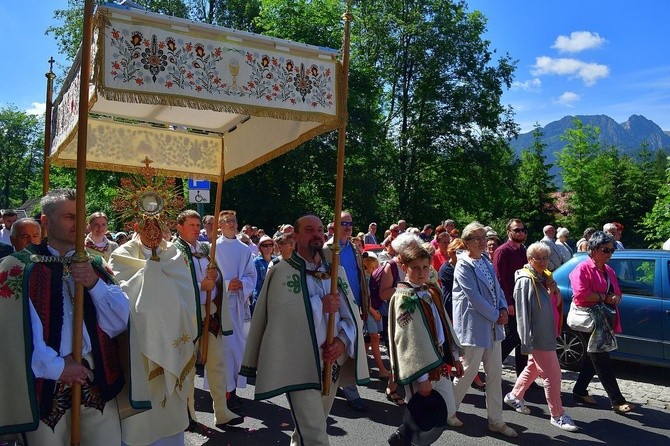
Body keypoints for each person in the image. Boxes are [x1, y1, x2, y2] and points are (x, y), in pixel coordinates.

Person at [0, 189, 128, 445]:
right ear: (45, 222)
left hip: (96, 378)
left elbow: (120, 322)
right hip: (43, 383)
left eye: (80, 216)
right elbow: (12, 331)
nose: (78, 224)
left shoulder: (95, 264)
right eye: (69, 217)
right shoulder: (17, 267)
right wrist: (57, 367)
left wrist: (94, 284)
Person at [241, 214, 369, 446]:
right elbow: (282, 321)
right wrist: (321, 305)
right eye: (309, 230)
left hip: (332, 362)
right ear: (296, 236)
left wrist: (341, 341)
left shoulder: (335, 271)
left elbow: (351, 313)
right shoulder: (281, 271)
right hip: (299, 363)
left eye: (320, 229)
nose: (317, 234)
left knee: (311, 426)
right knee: (316, 434)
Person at [110, 214, 199, 446]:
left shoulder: (174, 254)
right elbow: (120, 297)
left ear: (165, 226)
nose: (152, 232)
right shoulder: (122, 255)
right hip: (137, 347)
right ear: (136, 226)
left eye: (157, 225)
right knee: (140, 421)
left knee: (170, 419)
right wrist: (150, 273)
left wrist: (155, 276)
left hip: (174, 341)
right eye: (146, 226)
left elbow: (187, 295)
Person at [387, 245, 463, 446]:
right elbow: (409, 340)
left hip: (438, 358)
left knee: (446, 406)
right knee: (423, 414)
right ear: (404, 267)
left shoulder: (431, 290)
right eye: (415, 268)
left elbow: (444, 324)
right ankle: (407, 439)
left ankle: (402, 436)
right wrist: (422, 377)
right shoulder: (404, 298)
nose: (421, 272)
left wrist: (454, 355)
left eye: (425, 267)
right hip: (420, 366)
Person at [173, 210, 243, 429]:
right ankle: (189, 415)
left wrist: (217, 277)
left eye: (197, 225)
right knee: (188, 368)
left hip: (210, 315)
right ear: (179, 227)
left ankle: (221, 412)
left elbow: (218, 278)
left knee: (217, 363)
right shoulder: (173, 253)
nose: (196, 228)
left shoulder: (205, 249)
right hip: (188, 317)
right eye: (191, 225)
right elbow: (174, 287)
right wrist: (201, 286)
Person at [451, 221, 517, 438]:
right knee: (467, 372)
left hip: (492, 327)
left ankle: (496, 420)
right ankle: (448, 410)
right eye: (477, 238)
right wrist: (495, 314)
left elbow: (496, 287)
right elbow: (474, 298)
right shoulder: (463, 265)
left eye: (484, 237)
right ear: (467, 242)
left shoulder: (487, 261)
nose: (483, 242)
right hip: (475, 326)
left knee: (495, 375)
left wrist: (502, 307)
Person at [503, 242, 578, 432]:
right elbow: (522, 313)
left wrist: (553, 290)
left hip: (548, 332)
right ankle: (557, 414)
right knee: (553, 374)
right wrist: (526, 341)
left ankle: (514, 396)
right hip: (538, 335)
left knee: (533, 368)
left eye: (546, 258)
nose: (544, 262)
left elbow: (557, 301)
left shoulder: (545, 276)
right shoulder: (526, 280)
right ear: (530, 260)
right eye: (539, 259)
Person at [569, 231, 636, 414]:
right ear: (593, 249)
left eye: (611, 250)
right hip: (588, 319)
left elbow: (618, 293)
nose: (609, 254)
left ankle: (579, 390)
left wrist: (615, 298)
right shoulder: (582, 269)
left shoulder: (609, 271)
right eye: (605, 249)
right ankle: (617, 400)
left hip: (603, 319)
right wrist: (605, 297)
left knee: (594, 358)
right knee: (601, 358)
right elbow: (581, 296)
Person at [324, 211, 370, 412]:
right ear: (333, 227)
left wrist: (364, 305)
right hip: (337, 306)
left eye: (350, 223)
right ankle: (348, 391)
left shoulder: (354, 248)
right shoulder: (328, 249)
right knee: (339, 344)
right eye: (343, 223)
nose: (348, 226)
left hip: (354, 305)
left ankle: (344, 385)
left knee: (350, 345)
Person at [215, 210, 257, 411]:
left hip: (238, 307)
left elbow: (251, 275)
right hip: (220, 306)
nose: (231, 224)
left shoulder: (244, 249)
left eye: (233, 220)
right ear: (219, 226)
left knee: (237, 349)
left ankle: (233, 390)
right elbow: (208, 277)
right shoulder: (213, 248)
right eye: (227, 221)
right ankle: (223, 391)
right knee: (223, 350)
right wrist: (224, 284)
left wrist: (243, 284)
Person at [378, 233, 422, 406]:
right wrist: (406, 289)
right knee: (399, 352)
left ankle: (401, 386)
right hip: (395, 315)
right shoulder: (392, 266)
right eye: (410, 247)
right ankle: (393, 388)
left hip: (415, 314)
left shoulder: (417, 265)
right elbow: (383, 293)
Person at [494, 218, 529, 378]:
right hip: (510, 301)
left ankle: (522, 376)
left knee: (523, 339)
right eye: (517, 230)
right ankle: (493, 367)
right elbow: (499, 279)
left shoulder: (523, 251)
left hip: (523, 300)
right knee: (512, 336)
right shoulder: (503, 251)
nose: (521, 233)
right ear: (508, 231)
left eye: (523, 230)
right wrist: (507, 303)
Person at [252, 235, 275, 311]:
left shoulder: (276, 260)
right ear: (260, 247)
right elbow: (256, 283)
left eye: (270, 245)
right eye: (265, 245)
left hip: (274, 296)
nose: (268, 247)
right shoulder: (256, 262)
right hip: (260, 297)